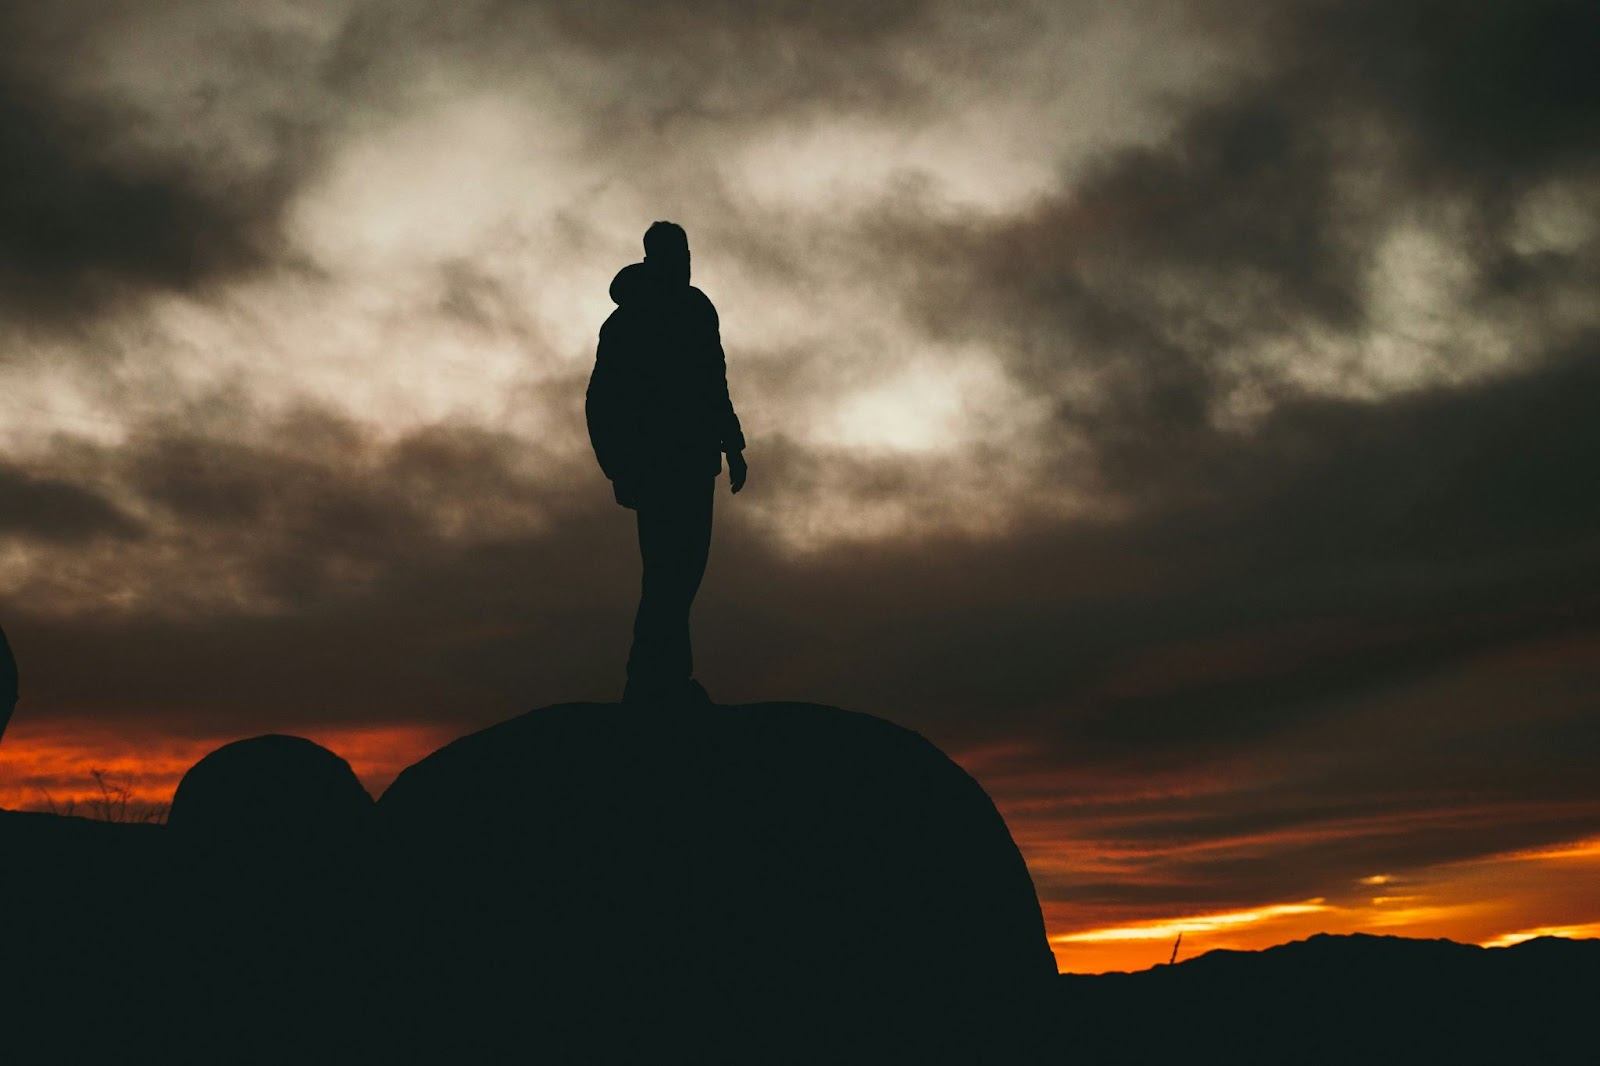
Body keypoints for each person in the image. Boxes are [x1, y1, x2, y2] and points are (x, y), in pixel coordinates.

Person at [587, 221, 747, 704]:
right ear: (654, 258)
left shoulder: (698, 309)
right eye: (675, 253)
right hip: (655, 467)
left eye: (686, 251)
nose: (684, 260)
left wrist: (732, 443)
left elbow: (713, 378)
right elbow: (602, 399)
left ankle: (667, 677)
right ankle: (650, 681)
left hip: (697, 462)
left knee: (686, 571)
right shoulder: (627, 321)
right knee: (665, 573)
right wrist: (618, 467)